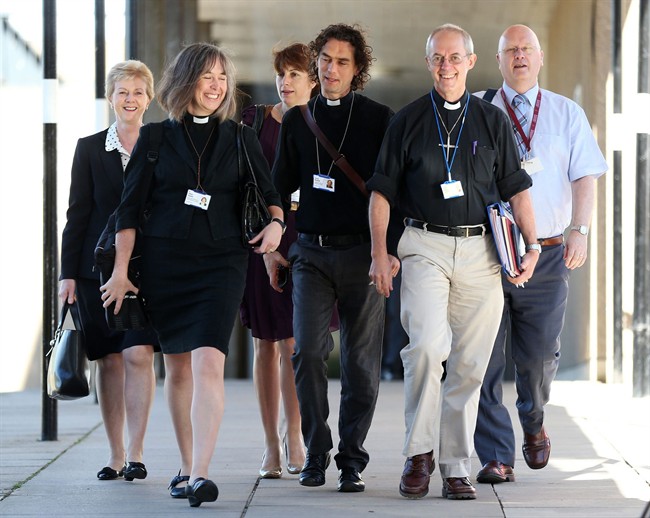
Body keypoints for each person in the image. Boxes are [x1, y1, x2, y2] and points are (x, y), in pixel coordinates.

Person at [100, 43, 284, 508]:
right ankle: (185, 467)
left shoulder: (240, 138)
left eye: (222, 77)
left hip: (222, 264)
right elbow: (128, 211)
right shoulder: (155, 139)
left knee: (208, 362)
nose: (216, 86)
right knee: (178, 365)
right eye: (207, 76)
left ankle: (201, 472)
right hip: (165, 264)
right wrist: (120, 271)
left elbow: (270, 195)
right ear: (186, 82)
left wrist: (277, 225)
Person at [367, 23, 540, 501]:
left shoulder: (492, 120)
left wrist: (532, 245)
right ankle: (419, 453)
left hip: (482, 251)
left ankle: (455, 465)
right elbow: (381, 193)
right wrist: (380, 251)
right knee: (426, 347)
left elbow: (517, 189)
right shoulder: (406, 121)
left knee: (470, 364)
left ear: (470, 61)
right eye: (438, 58)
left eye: (454, 57)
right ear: (428, 63)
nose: (446, 66)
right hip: (424, 245)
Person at [473, 24, 607, 484]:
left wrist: (580, 231)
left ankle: (533, 419)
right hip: (487, 255)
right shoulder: (479, 110)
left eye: (526, 48)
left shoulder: (566, 113)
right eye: (510, 49)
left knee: (538, 358)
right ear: (498, 61)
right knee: (485, 359)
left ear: (540, 56)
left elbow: (585, 176)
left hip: (548, 254)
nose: (519, 55)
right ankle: (496, 455)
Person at [269, 23, 393, 493]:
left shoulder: (379, 119)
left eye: (342, 61)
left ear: (357, 69)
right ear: (315, 64)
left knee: (361, 363)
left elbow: (392, 191)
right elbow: (278, 190)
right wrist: (273, 247)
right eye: (325, 60)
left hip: (364, 255)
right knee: (306, 351)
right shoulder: (298, 121)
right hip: (311, 254)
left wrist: (389, 251)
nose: (331, 69)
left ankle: (352, 459)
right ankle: (316, 451)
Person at [59, 60, 159, 483]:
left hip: (145, 270)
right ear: (110, 98)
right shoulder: (88, 148)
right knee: (109, 360)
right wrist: (67, 274)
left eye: (137, 92)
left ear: (149, 99)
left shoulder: (161, 144)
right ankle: (116, 454)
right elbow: (77, 213)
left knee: (139, 353)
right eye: (122, 92)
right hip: (93, 271)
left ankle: (136, 452)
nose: (130, 99)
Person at [239, 43, 316, 479]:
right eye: (281, 74)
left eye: (294, 74)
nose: (285, 82)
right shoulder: (253, 121)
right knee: (266, 343)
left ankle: (295, 434)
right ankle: (271, 443)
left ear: (312, 81)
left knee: (294, 344)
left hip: (306, 243)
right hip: (260, 242)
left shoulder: (320, 122)